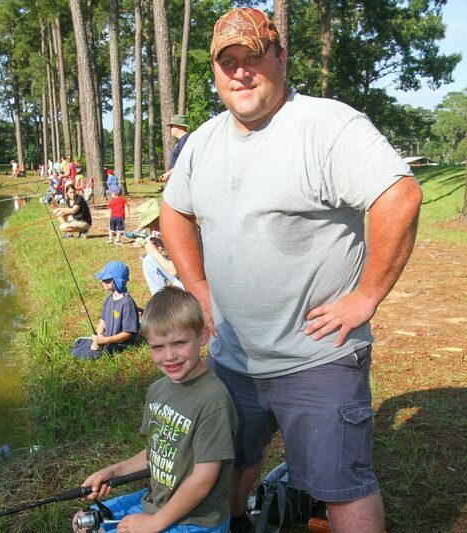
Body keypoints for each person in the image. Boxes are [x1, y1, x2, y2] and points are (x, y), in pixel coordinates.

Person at [160, 7, 423, 533]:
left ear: (280, 58)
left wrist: (366, 296)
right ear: (214, 72)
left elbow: (401, 196)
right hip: (234, 357)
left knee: (343, 489)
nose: (240, 72)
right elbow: (174, 210)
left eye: (253, 57)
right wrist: (198, 286)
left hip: (317, 359)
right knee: (225, 466)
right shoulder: (202, 143)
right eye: (227, 61)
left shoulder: (327, 126)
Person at [71, 286, 238, 532]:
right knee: (82, 521)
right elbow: (155, 452)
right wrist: (113, 471)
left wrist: (155, 523)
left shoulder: (213, 400)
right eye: (157, 347)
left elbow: (203, 479)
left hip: (196, 520)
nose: (169, 356)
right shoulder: (158, 390)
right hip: (156, 501)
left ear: (202, 336)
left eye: (179, 343)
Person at [71, 261, 140, 360]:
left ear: (117, 281)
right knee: (79, 345)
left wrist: (104, 340)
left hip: (120, 343)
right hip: (106, 339)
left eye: (107, 280)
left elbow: (127, 334)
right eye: (103, 279)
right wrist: (98, 337)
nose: (103, 282)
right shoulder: (109, 299)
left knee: (84, 354)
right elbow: (103, 321)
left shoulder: (127, 304)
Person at [134, 198, 184, 295]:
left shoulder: (176, 231)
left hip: (192, 284)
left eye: (150, 225)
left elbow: (174, 271)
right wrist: (163, 245)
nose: (151, 228)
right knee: (148, 260)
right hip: (186, 278)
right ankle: (160, 300)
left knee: (149, 261)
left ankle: (161, 304)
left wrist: (155, 253)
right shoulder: (170, 228)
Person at [159, 115, 190, 184]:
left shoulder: (185, 141)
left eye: (171, 126)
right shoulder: (183, 140)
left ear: (179, 127)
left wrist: (168, 174)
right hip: (178, 179)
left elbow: (184, 163)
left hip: (182, 181)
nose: (170, 129)